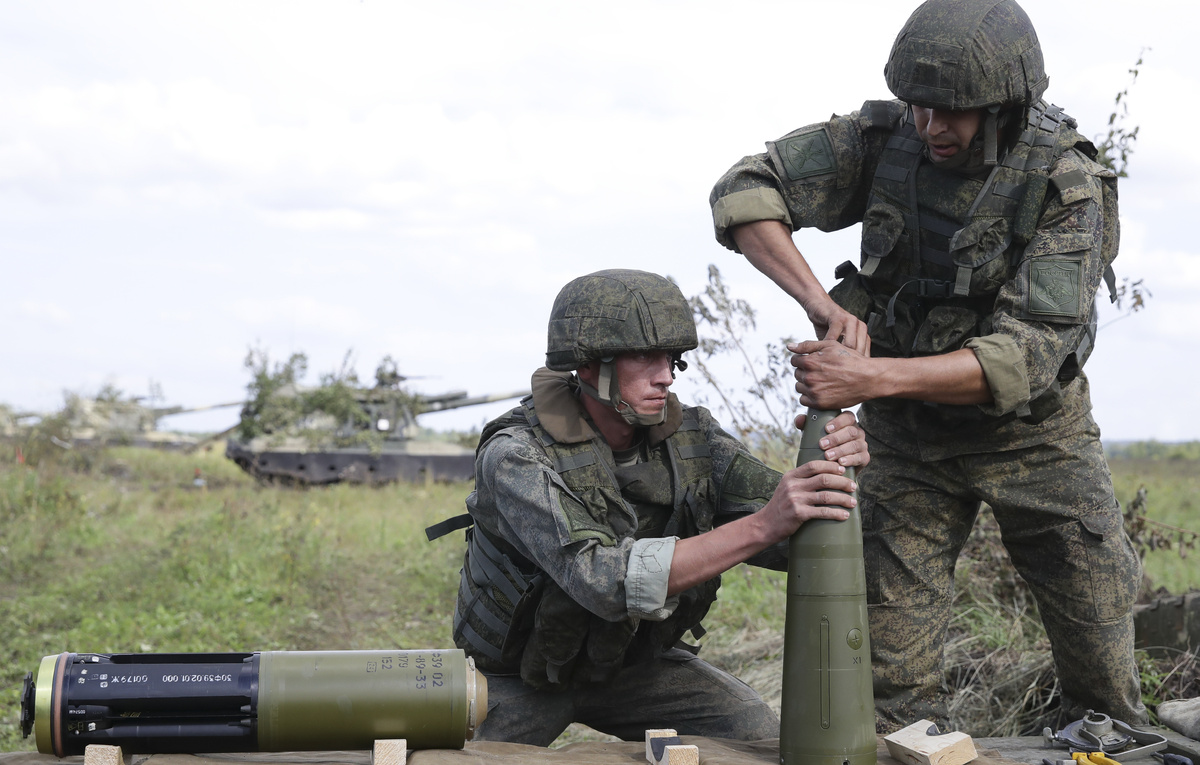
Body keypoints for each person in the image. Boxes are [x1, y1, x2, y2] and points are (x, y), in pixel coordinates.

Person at [709, 0, 1147, 732]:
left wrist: (868, 377)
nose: (929, 126)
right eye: (919, 105)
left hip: (1038, 440)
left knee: (1104, 678)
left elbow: (1024, 356)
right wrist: (820, 304)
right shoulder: (884, 142)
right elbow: (746, 189)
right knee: (890, 695)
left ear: (1005, 105)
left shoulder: (1065, 185)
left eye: (953, 112)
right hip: (909, 445)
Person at [431, 268, 869, 745]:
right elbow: (604, 581)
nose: (665, 375)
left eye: (670, 357)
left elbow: (796, 537)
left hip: (629, 669)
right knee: (452, 760)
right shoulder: (516, 455)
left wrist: (831, 466)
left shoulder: (694, 439)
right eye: (642, 357)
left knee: (754, 735)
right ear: (587, 367)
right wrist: (766, 522)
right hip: (517, 676)